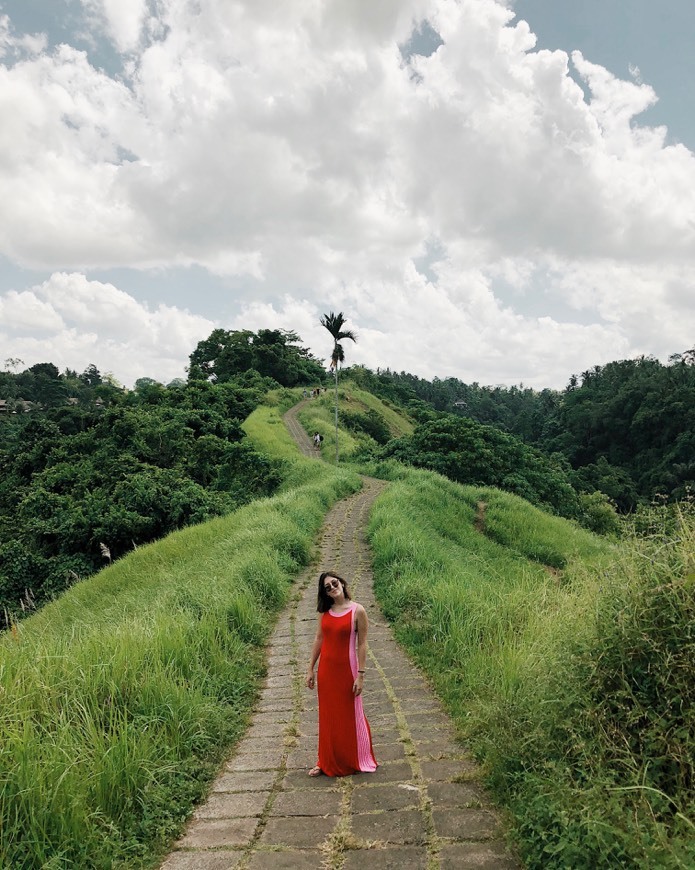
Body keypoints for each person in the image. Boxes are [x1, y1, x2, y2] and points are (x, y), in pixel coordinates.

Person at [305, 571, 378, 777]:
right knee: (327, 717)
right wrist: (310, 668)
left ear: (342, 583)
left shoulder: (358, 611)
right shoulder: (325, 612)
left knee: (350, 715)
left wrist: (361, 675)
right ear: (325, 593)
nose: (332, 588)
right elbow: (319, 639)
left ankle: (353, 758)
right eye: (327, 588)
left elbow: (362, 644)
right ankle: (325, 761)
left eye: (334, 583)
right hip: (326, 672)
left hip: (348, 670)